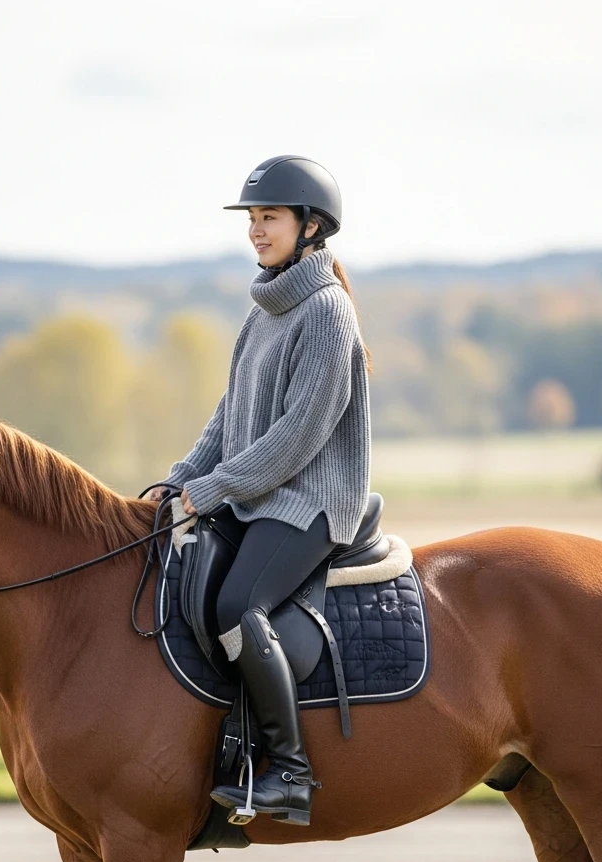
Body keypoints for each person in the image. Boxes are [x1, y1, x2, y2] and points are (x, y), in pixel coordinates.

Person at [147, 154, 373, 826]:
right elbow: (230, 419)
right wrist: (178, 482)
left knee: (236, 605)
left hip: (313, 501)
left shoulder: (328, 314)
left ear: (311, 226)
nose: (255, 230)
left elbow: (296, 438)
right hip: (261, 495)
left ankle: (291, 775)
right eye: (251, 219)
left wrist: (211, 491)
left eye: (268, 217)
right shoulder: (266, 312)